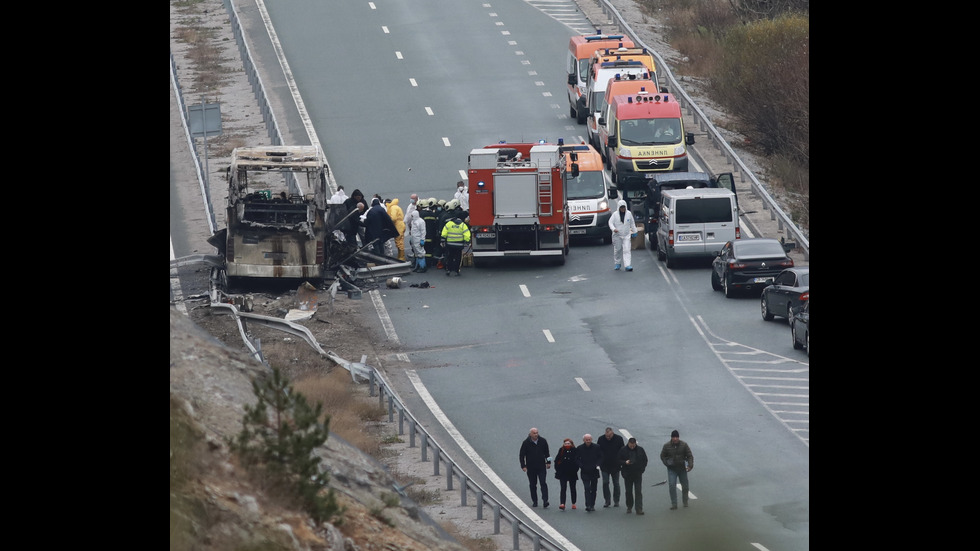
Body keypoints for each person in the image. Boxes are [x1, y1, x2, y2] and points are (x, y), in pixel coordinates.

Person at [660, 429, 694, 510]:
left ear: (678, 437)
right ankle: (674, 504)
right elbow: (662, 456)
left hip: (682, 468)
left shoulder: (684, 445)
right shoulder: (666, 446)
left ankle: (685, 501)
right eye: (674, 437)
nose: (675, 439)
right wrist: (667, 463)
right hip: (672, 469)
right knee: (672, 485)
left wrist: (690, 465)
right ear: (671, 438)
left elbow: (690, 456)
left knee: (685, 486)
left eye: (676, 437)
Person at [519, 427, 551, 508]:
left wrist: (548, 462)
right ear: (530, 434)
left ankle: (545, 500)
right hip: (531, 467)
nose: (536, 434)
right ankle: (535, 501)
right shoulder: (526, 443)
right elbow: (522, 455)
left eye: (537, 433)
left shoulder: (543, 441)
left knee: (543, 483)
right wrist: (523, 465)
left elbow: (547, 452)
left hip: (541, 466)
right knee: (533, 485)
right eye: (534, 433)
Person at [617, 437, 648, 515]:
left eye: (633, 445)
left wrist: (642, 469)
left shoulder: (640, 450)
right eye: (631, 445)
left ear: (635, 444)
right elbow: (618, 460)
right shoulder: (623, 450)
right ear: (628, 443)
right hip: (627, 474)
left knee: (638, 491)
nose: (632, 447)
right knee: (628, 491)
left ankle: (639, 509)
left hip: (637, 474)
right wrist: (625, 462)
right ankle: (629, 506)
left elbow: (645, 460)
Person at [597, 427, 625, 508]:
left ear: (612, 433)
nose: (608, 438)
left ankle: (616, 500)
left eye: (609, 436)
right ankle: (607, 500)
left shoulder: (619, 439)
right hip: (604, 465)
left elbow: (622, 450)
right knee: (605, 482)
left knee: (616, 483)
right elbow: (598, 451)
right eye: (607, 436)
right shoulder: (601, 439)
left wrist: (621, 462)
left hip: (615, 465)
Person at [608, 199, 637, 272]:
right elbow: (610, 222)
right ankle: (617, 263)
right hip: (617, 235)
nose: (623, 209)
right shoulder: (615, 215)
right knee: (618, 250)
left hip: (626, 235)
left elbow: (632, 223)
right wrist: (613, 229)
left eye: (624, 207)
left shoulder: (629, 214)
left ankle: (627, 265)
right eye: (621, 207)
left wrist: (635, 231)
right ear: (619, 208)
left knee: (627, 249)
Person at [576, 433, 603, 512]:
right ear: (584, 440)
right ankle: (587, 504)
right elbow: (577, 458)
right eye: (586, 440)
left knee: (594, 489)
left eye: (589, 440)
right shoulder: (580, 448)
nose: (588, 441)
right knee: (587, 488)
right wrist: (581, 466)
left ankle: (592, 505)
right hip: (585, 471)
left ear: (591, 440)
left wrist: (598, 464)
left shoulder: (597, 447)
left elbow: (601, 457)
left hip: (594, 471)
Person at [553, 438, 579, 511]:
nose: (567, 445)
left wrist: (575, 469)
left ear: (571, 444)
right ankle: (562, 503)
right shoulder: (561, 450)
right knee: (563, 488)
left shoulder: (575, 450)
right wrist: (558, 470)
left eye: (568, 443)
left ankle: (573, 503)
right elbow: (557, 460)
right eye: (565, 443)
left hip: (572, 473)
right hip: (563, 473)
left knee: (573, 488)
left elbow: (577, 461)